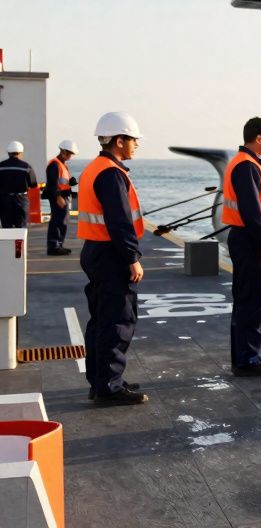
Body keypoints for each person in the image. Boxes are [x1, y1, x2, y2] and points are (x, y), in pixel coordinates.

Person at [80, 112, 148, 406]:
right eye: (133, 140)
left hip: (96, 251)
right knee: (118, 320)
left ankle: (102, 381)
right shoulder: (111, 173)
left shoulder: (95, 168)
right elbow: (120, 221)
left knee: (101, 320)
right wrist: (132, 257)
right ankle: (109, 386)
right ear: (119, 141)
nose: (136, 145)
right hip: (111, 255)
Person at [222, 117, 261, 376]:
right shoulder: (246, 166)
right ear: (258, 139)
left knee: (248, 299)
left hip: (246, 238)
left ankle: (248, 355)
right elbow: (251, 208)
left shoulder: (245, 163)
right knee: (254, 300)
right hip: (251, 240)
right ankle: (247, 360)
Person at [44, 140, 79, 255]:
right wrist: (58, 197)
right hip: (58, 197)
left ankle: (58, 244)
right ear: (63, 151)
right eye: (69, 154)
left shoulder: (61, 164)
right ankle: (53, 246)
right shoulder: (54, 164)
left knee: (62, 221)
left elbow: (61, 182)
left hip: (63, 196)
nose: (70, 156)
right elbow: (52, 184)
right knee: (57, 221)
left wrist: (71, 183)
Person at [0, 141, 39, 228]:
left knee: (7, 227)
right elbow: (33, 185)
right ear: (20, 153)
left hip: (4, 200)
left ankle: (8, 241)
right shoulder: (26, 167)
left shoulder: (1, 166)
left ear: (8, 153)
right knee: (21, 227)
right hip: (21, 200)